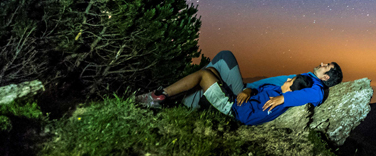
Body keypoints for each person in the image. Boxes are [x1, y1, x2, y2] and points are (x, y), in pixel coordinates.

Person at [136, 50, 343, 126]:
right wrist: (250, 90)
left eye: (326, 66)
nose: (322, 62)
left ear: (326, 77)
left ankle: (159, 96)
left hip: (238, 106)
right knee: (212, 69)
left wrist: (284, 98)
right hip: (248, 95)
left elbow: (316, 94)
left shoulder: (315, 86)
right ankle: (179, 102)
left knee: (210, 70)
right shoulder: (307, 78)